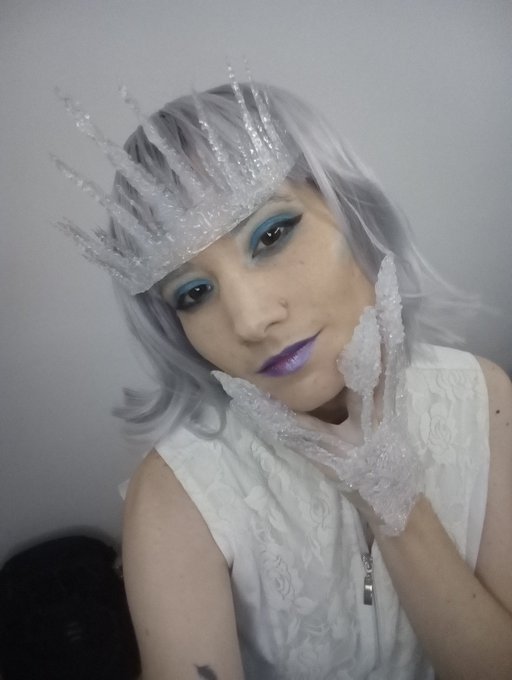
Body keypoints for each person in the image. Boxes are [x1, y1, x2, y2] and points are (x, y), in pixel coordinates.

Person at [56, 76, 512, 679]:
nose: (249, 321)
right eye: (194, 292)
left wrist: (390, 500)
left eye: (270, 235)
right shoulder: (177, 493)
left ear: (351, 212)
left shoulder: (481, 396)